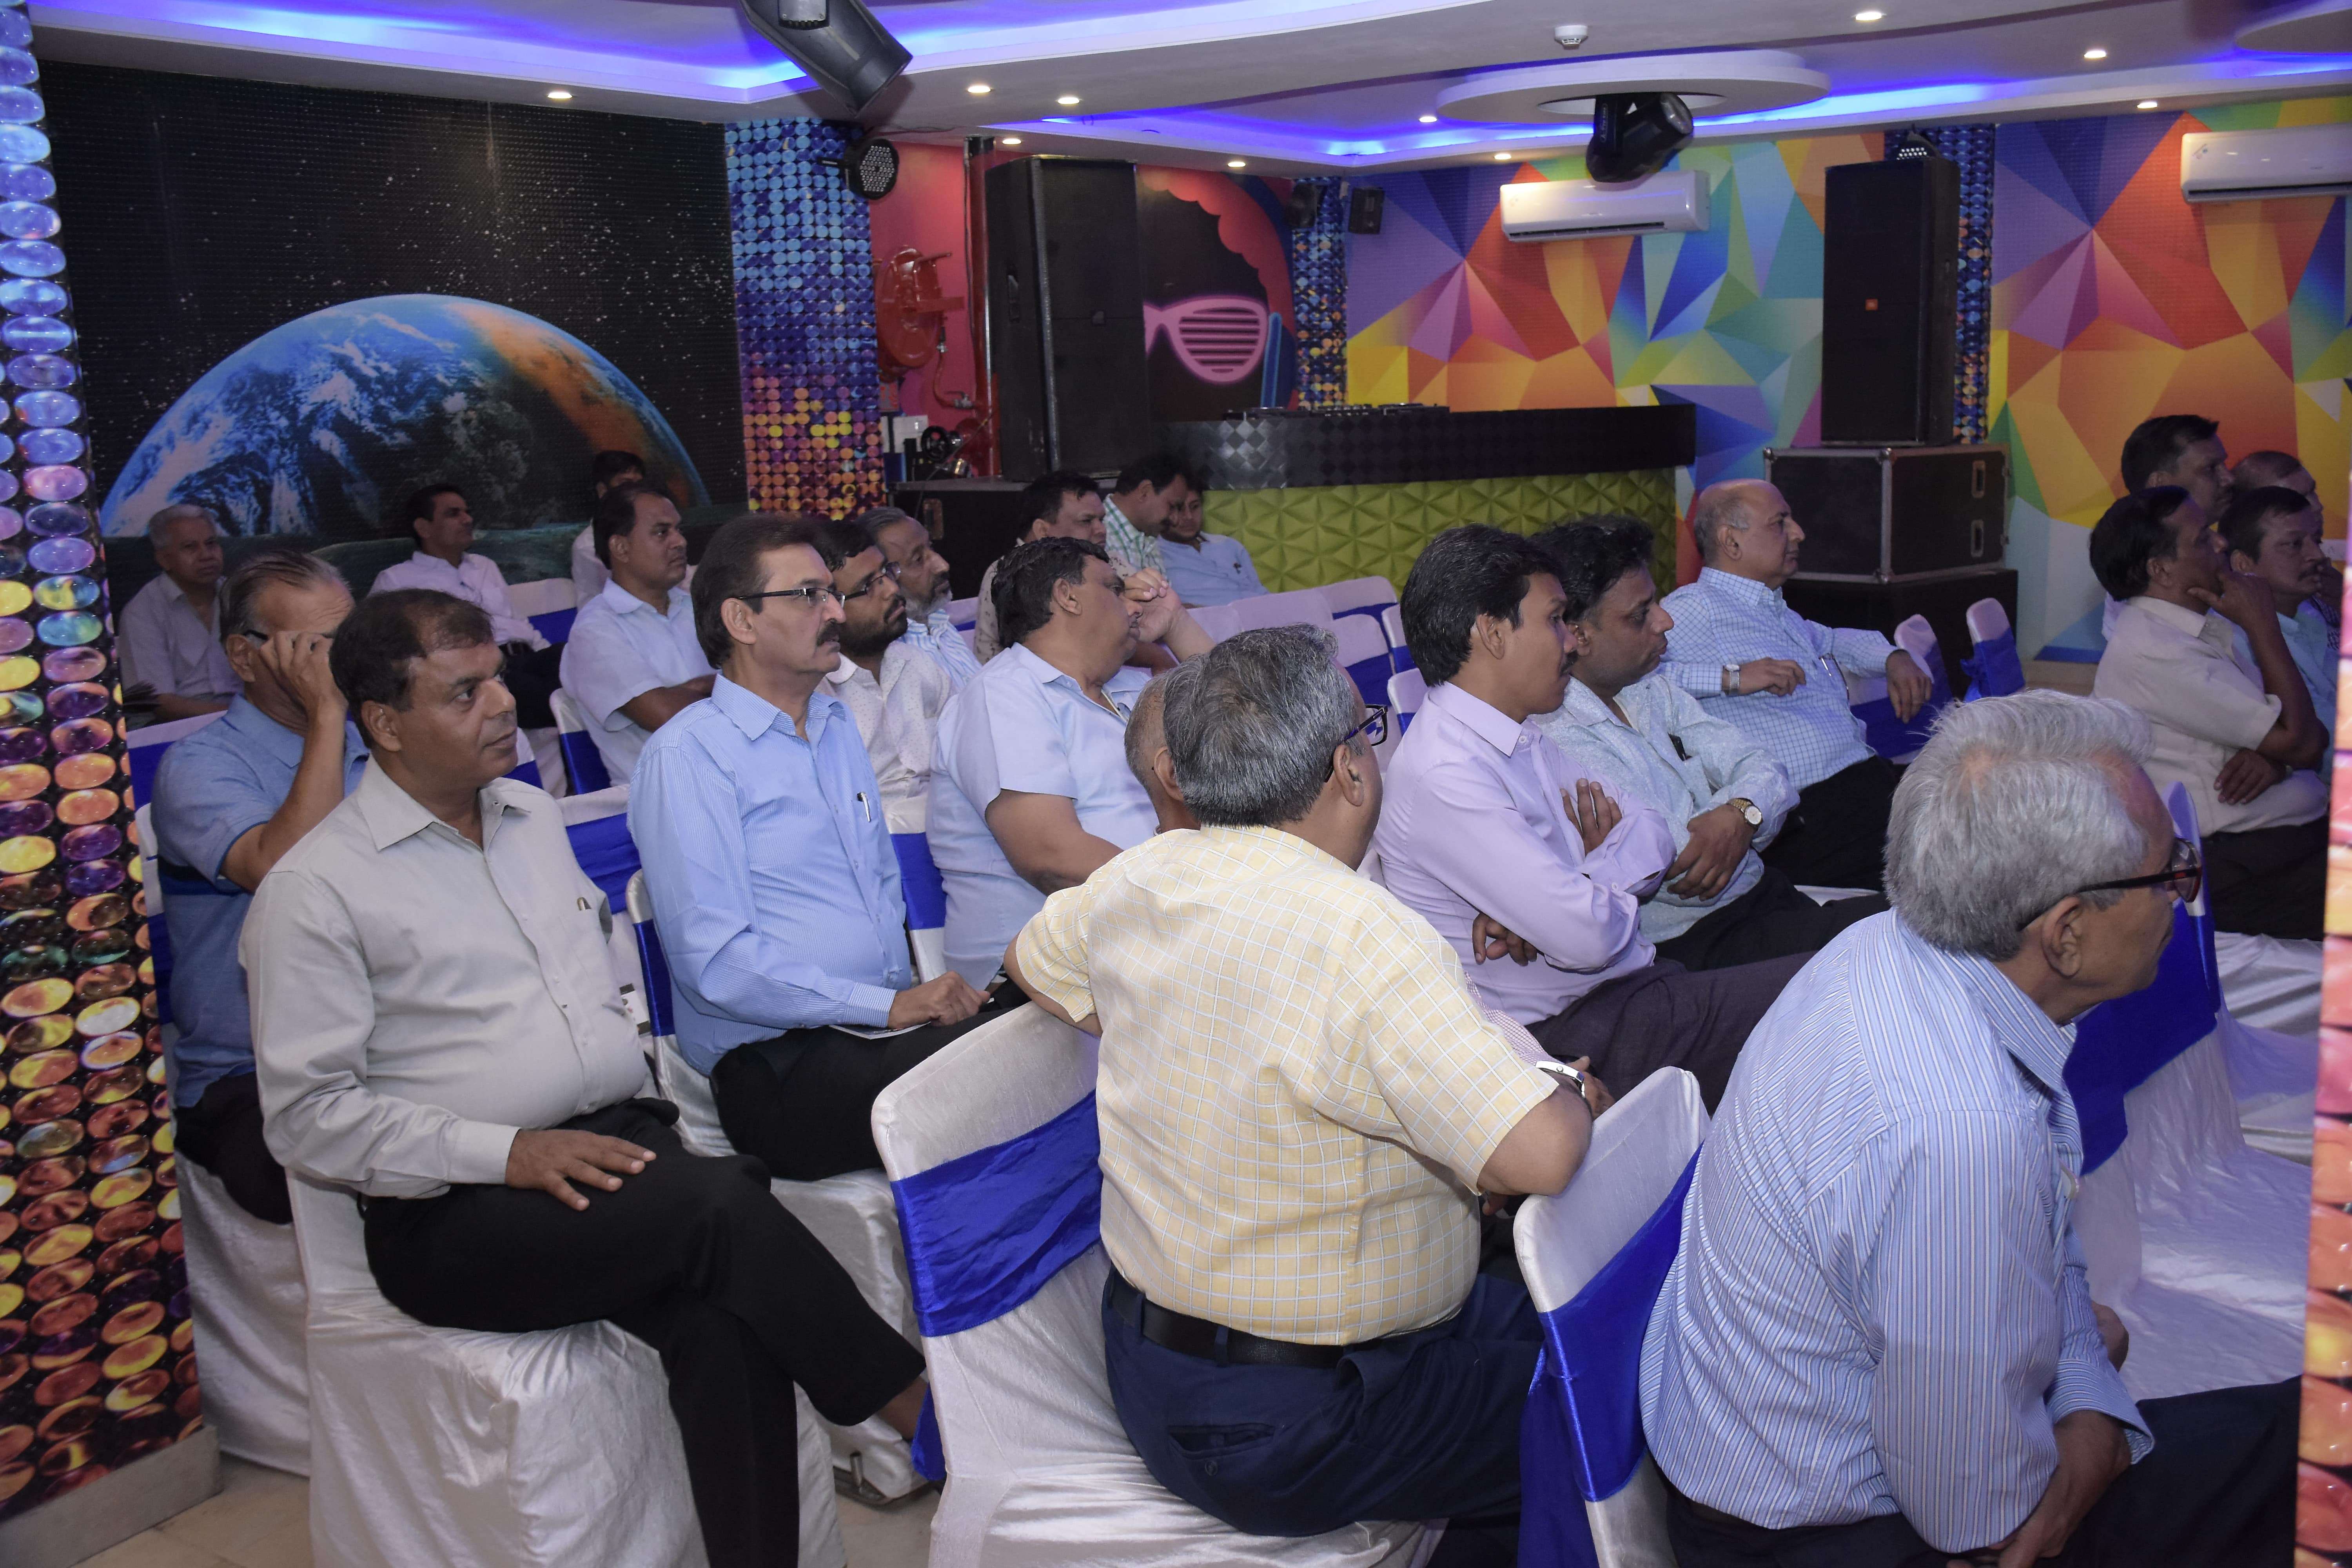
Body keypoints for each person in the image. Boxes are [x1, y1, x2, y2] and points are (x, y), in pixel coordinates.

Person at [243, 587, 928, 1568]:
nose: (501, 707)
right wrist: (508, 1151)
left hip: (614, 1151)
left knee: (724, 1312)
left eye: (496, 681)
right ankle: (915, 1411)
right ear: (385, 724)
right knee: (724, 1206)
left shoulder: (528, 816)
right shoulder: (318, 888)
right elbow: (308, 1121)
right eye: (464, 693)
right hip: (454, 1208)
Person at [1643, 691, 2294, 1568]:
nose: (2184, 891)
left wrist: (2077, 1372)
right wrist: (2098, 1427)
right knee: (2298, 1458)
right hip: (1830, 1536)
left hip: (1789, 1460)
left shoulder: (1885, 947)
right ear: (2066, 933)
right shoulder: (1961, 1130)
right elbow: (1982, 1519)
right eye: (2171, 872)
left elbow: (2050, 1264)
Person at [1007, 626, 1598, 1565]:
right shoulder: (1360, 932)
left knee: (1542, 1311)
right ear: (1349, 769)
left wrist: (1162, 1019)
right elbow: (1544, 1155)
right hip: (1311, 1419)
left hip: (1162, 1375)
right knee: (1633, 1387)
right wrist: (1566, 1085)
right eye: (1370, 732)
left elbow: (1028, 959)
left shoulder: (1136, 879)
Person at [629, 514, 1009, 1182]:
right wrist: (887, 1007)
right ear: (742, 621)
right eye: (809, 596)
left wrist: (902, 1005)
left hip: (875, 1036)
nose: (835, 611)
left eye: (831, 593)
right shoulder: (688, 757)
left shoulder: (833, 725)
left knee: (1053, 1013)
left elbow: (879, 891)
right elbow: (718, 966)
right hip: (779, 1069)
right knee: (1008, 1064)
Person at [1376, 526, 1810, 1109]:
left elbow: (1651, 829)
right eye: (1555, 619)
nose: (1570, 642)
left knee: (1848, 976)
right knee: (1837, 988)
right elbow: (1588, 940)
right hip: (1580, 1035)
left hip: (1634, 992)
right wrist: (1585, 888)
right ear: (1493, 633)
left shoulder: (1515, 733)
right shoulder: (1447, 774)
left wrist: (1576, 885)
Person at [1533, 519, 1885, 970]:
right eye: (1641, 614)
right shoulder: (1557, 734)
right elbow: (1682, 862)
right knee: (1912, 934)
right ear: (1577, 635)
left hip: (1763, 898)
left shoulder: (1648, 689)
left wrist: (1741, 813)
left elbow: (1765, 766)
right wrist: (1742, 813)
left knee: (1921, 925)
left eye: (1657, 601)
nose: (1666, 620)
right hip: (1697, 942)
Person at [152, 550, 366, 1223]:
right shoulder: (199, 766)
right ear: (244, 658)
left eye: (349, 638)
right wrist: (327, 716)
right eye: (315, 646)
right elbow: (284, 874)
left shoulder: (380, 741)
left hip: (386, 1040)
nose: (342, 661)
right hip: (251, 1074)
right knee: (324, 1177)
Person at [928, 536, 1209, 987]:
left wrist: (1177, 623)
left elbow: (1254, 735)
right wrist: (1196, 896)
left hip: (1145, 939)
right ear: (1067, 596)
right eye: (1114, 588)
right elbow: (1051, 856)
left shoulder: (1129, 689)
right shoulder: (1004, 695)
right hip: (1042, 976)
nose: (1133, 605)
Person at [1659, 480, 1933, 891]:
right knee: (1958, 870)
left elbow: (1834, 640)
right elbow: (1633, 680)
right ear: (1731, 542)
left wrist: (1893, 657)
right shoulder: (1694, 608)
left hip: (1859, 793)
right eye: (1780, 523)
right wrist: (1734, 678)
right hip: (1809, 817)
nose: (1799, 533)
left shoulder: (1772, 609)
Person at [2090, 486, 2326, 939]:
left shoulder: (2194, 629)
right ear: (2161, 570)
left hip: (2280, 851)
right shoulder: (2157, 650)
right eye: (2203, 539)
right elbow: (2304, 742)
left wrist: (2276, 759)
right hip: (2248, 870)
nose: (2221, 543)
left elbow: (2301, 736)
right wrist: (2262, 622)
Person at [370, 483, 563, 729]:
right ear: (423, 528)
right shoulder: (396, 581)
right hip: (482, 675)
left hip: (528, 658)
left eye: (467, 512)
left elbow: (517, 621)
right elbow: (382, 652)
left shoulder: (485, 566)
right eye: (453, 514)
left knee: (571, 656)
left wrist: (547, 653)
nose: (467, 520)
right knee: (561, 698)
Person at [559, 481, 713, 787]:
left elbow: (763, 684)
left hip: (736, 777)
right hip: (667, 793)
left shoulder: (698, 607)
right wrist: (725, 684)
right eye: (662, 532)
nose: (680, 542)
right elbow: (665, 715)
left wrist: (697, 688)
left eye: (679, 530)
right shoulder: (596, 630)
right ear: (621, 548)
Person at [803, 515, 952, 831]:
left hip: (946, 833)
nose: (891, 590)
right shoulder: (815, 697)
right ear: (828, 608)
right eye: (867, 587)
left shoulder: (918, 665)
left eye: (886, 572)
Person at [2220, 484, 2336, 765]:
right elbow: (2327, 748)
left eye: (2316, 541)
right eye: (2294, 545)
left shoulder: (2310, 619)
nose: (2317, 556)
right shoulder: (2236, 641)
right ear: (2243, 563)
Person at [120, 503, 240, 721]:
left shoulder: (240, 596)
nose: (206, 555)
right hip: (178, 724)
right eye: (190, 547)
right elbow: (160, 703)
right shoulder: (142, 612)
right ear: (165, 560)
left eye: (211, 544)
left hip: (245, 712)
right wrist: (237, 716)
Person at [973, 472, 1106, 662]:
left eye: (1102, 520)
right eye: (1086, 521)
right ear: (1043, 531)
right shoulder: (1006, 575)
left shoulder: (1108, 561)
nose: (1101, 530)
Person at [862, 505, 984, 690]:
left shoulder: (939, 624)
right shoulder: (893, 659)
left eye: (931, 547)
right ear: (884, 578)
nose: (943, 566)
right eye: (918, 560)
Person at [1155, 472, 1267, 607]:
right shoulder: (1155, 556)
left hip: (1261, 613)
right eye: (1179, 509)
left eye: (1195, 507)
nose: (1189, 517)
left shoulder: (1229, 545)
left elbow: (1260, 592)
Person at [1099, 452, 1192, 578]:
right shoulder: (1096, 534)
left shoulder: (1148, 538)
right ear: (1145, 492)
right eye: (1172, 507)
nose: (1176, 520)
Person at [570, 449, 647, 601]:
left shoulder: (653, 531)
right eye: (626, 484)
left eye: (639, 484)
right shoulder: (589, 547)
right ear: (603, 491)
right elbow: (642, 588)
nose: (636, 492)